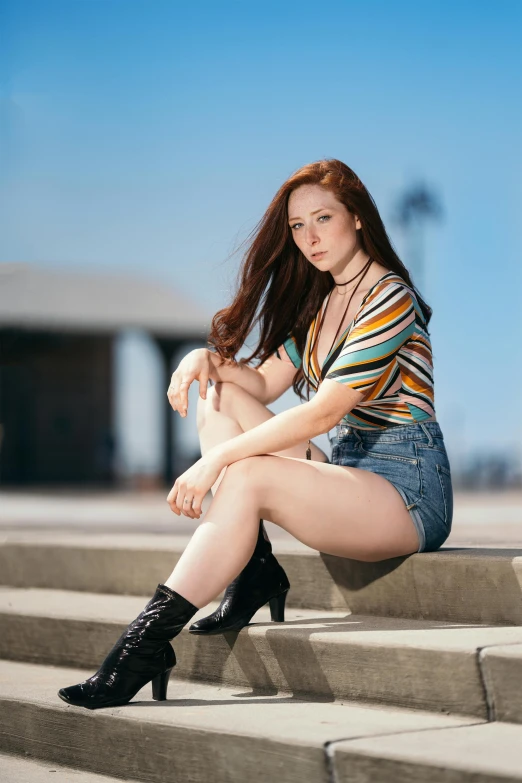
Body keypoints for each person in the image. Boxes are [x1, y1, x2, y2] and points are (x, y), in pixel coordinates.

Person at [58, 158, 453, 710]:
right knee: (217, 394)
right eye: (297, 227)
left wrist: (210, 465)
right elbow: (263, 384)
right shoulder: (321, 305)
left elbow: (321, 414)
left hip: (407, 491)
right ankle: (255, 567)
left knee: (248, 474)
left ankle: (141, 647)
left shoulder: (390, 298)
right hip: (349, 476)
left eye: (323, 219)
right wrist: (206, 360)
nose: (310, 238)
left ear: (358, 218)